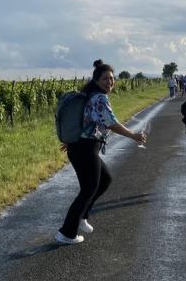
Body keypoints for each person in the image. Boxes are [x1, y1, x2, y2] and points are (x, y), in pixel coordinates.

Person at [56, 60, 147, 245]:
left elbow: (85, 121)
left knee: (104, 180)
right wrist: (134, 136)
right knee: (88, 189)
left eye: (112, 78)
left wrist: (74, 140)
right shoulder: (100, 98)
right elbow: (111, 123)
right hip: (85, 149)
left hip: (82, 147)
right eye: (105, 78)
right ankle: (67, 233)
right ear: (96, 80)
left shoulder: (91, 95)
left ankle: (81, 217)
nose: (110, 82)